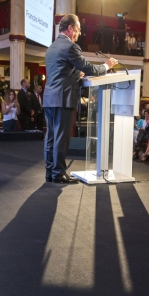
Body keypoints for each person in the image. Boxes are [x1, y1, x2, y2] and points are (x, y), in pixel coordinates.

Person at [43, 14, 117, 184]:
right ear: (69, 28)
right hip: (63, 98)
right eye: (77, 29)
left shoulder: (52, 47)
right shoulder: (71, 46)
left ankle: (50, 172)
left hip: (49, 98)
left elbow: (61, 71)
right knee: (61, 138)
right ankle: (59, 173)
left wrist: (76, 73)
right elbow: (88, 67)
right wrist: (107, 66)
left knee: (51, 138)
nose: (79, 33)